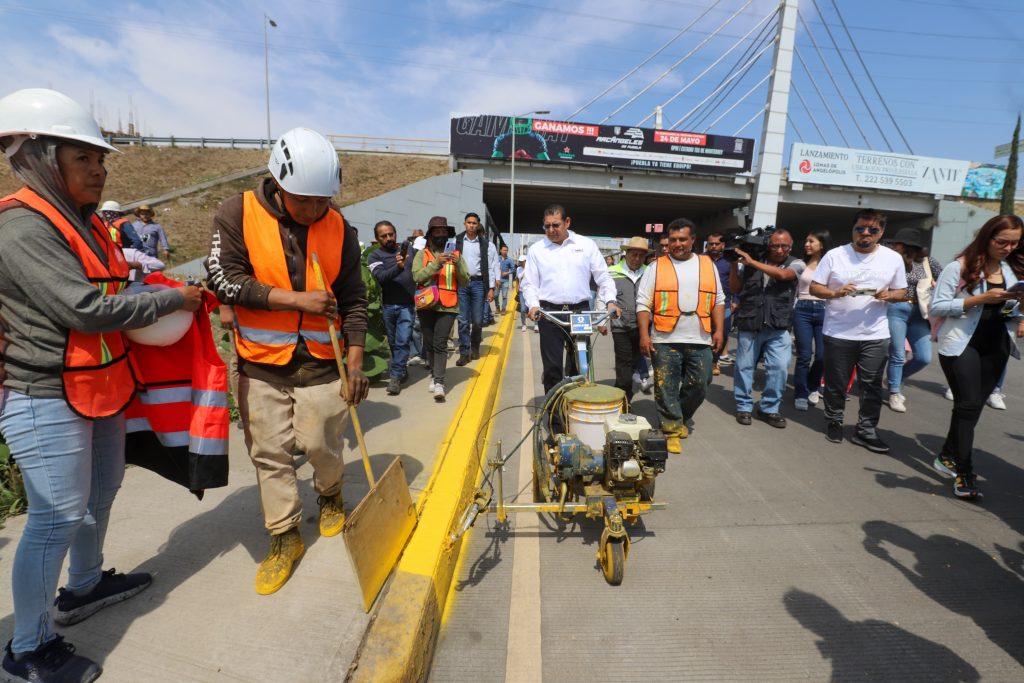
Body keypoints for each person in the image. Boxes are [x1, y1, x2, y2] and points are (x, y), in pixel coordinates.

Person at [0, 88, 203, 682]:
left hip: (101, 389)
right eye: (82, 158)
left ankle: (83, 587)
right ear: (38, 156)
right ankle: (27, 650)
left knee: (99, 495)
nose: (99, 169)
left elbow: (112, 294)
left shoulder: (84, 225)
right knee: (55, 516)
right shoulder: (21, 227)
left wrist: (148, 299)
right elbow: (83, 307)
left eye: (101, 159)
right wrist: (173, 299)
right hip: (45, 395)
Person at [205, 126, 369, 595]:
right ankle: (285, 536)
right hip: (260, 362)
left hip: (321, 360)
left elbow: (353, 298)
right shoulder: (236, 213)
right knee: (270, 453)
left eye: (323, 200)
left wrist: (354, 359)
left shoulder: (339, 226)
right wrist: (295, 301)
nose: (316, 209)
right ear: (277, 184)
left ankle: (331, 494)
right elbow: (223, 280)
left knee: (321, 443)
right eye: (306, 200)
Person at [929, 214, 1024, 499]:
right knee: (968, 404)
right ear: (987, 237)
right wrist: (977, 300)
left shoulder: (1011, 271)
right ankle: (964, 472)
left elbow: (1009, 310)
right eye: (1002, 242)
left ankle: (946, 455)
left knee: (972, 409)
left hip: (997, 345)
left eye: (1015, 243)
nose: (1008, 248)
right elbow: (938, 306)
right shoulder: (959, 267)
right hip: (961, 344)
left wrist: (1020, 315)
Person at [809, 209, 907, 453]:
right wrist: (835, 292)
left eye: (873, 230)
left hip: (875, 334)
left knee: (872, 385)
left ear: (881, 232)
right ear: (853, 230)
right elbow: (814, 287)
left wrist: (890, 295)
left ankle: (866, 430)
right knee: (836, 383)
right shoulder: (834, 255)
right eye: (860, 228)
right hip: (839, 332)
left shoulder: (893, 258)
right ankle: (834, 420)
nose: (866, 233)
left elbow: (902, 292)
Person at [636, 218, 725, 453]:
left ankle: (681, 416)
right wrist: (644, 335)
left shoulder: (707, 264)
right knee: (666, 385)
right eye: (673, 240)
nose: (677, 244)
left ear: (693, 240)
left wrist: (720, 331)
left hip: (700, 337)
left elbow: (718, 300)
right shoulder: (656, 266)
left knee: (701, 383)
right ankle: (671, 428)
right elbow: (643, 303)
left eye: (682, 239)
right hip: (665, 338)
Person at [522, 204, 619, 394]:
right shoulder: (536, 250)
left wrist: (611, 301)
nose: (551, 230)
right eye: (547, 226)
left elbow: (603, 277)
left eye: (556, 225)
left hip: (580, 311)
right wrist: (533, 306)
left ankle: (574, 407)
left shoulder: (586, 245)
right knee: (552, 368)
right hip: (550, 313)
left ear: (567, 222)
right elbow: (529, 284)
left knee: (579, 364)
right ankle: (554, 416)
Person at [729, 229, 804, 428]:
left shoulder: (796, 263)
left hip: (778, 325)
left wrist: (751, 262)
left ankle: (768, 408)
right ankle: (744, 406)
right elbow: (736, 289)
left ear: (791, 245)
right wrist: (733, 264)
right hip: (750, 321)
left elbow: (783, 275)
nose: (779, 250)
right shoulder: (750, 261)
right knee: (744, 366)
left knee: (779, 367)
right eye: (775, 245)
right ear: (768, 245)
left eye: (784, 246)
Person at [884, 228, 943, 413]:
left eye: (896, 243)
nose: (893, 246)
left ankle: (898, 378)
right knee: (898, 353)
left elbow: (946, 280)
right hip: (896, 309)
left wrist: (937, 287)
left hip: (920, 312)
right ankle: (894, 392)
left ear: (905, 246)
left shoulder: (928, 262)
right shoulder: (891, 261)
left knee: (923, 357)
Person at [412, 216, 469, 401]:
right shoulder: (422, 255)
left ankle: (439, 382)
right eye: (437, 232)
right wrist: (437, 263)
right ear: (430, 235)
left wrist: (457, 262)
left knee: (440, 343)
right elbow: (417, 277)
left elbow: (465, 280)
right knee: (429, 343)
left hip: (448, 306)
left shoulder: (457, 256)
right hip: (426, 304)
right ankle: (434, 373)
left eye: (444, 232)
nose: (441, 235)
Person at [367, 220, 417, 396]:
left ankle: (394, 378)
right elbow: (381, 277)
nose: (388, 238)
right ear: (377, 238)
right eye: (384, 236)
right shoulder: (374, 257)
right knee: (395, 343)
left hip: (407, 305)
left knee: (403, 341)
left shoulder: (409, 250)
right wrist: (399, 267)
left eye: (391, 234)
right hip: (388, 306)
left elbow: (422, 265)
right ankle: (401, 369)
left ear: (395, 233)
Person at [792, 230, 832, 410]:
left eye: (811, 241)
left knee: (822, 356)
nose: (807, 244)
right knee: (804, 355)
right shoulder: (800, 264)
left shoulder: (831, 264)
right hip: (802, 310)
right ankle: (800, 392)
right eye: (806, 241)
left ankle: (813, 386)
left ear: (822, 244)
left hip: (825, 310)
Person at [607, 237, 649, 402]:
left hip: (642, 326)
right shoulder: (612, 271)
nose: (637, 259)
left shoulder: (649, 272)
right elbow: (603, 297)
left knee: (633, 363)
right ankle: (624, 402)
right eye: (634, 255)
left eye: (641, 256)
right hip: (620, 326)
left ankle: (620, 391)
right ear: (626, 253)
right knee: (624, 362)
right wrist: (602, 322)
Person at [454, 213, 499, 366]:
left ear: (478, 225)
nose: (471, 225)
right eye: (469, 222)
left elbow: (491, 267)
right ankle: (464, 352)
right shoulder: (457, 241)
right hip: (462, 284)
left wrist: (491, 288)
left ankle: (475, 347)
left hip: (479, 285)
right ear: (464, 224)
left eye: (474, 223)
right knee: (463, 321)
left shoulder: (485, 244)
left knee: (478, 321)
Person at [704, 232, 736, 374]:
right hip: (703, 303)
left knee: (722, 332)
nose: (714, 246)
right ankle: (703, 361)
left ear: (723, 245)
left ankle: (714, 362)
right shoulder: (700, 259)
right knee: (703, 333)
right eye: (711, 243)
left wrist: (736, 300)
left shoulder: (730, 261)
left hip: (725, 303)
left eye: (717, 243)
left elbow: (736, 281)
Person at [497, 245, 514, 314]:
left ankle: (503, 309)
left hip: (505, 281)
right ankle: (497, 308)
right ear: (500, 250)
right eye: (503, 250)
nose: (505, 251)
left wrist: (507, 273)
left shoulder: (510, 260)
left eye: (506, 250)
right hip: (497, 280)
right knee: (495, 295)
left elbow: (513, 269)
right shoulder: (497, 258)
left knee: (504, 295)